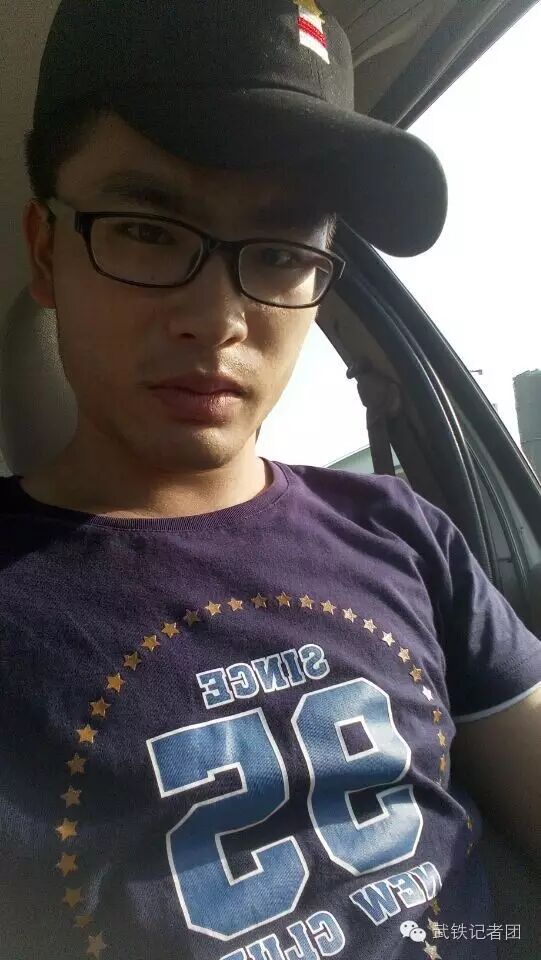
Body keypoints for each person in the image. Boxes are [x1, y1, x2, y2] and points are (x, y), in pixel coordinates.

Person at [1, 1, 539, 959]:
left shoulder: (401, 530)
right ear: (47, 251)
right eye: (147, 230)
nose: (217, 319)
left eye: (283, 251)